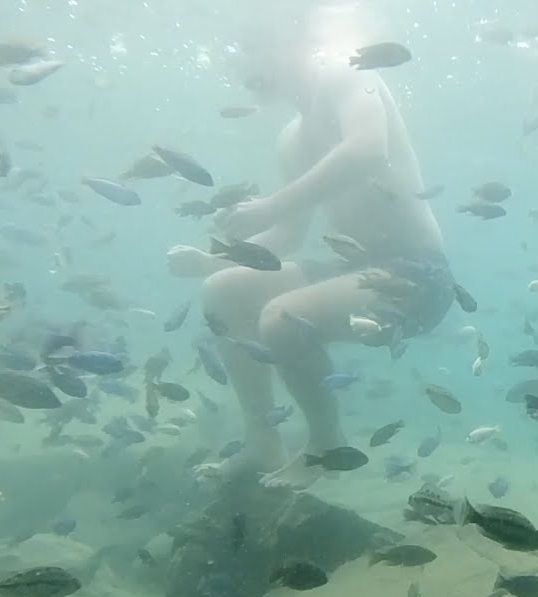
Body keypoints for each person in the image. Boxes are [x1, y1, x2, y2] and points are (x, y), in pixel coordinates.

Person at [167, 3, 455, 490]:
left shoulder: (349, 71)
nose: (245, 61)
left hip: (417, 276)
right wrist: (213, 257)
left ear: (296, 37)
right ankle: (262, 443)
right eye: (241, 50)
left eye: (255, 44)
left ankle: (326, 444)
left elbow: (368, 150)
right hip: (353, 269)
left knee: (281, 319)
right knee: (223, 290)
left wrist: (269, 207)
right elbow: (288, 236)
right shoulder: (291, 140)